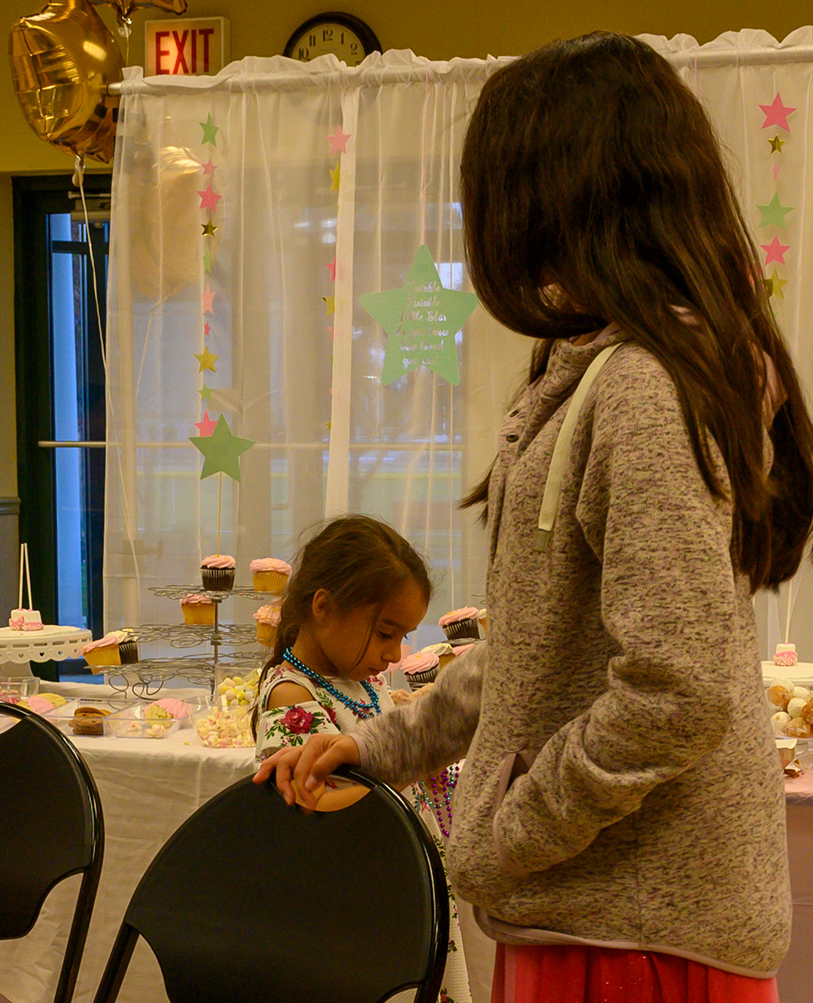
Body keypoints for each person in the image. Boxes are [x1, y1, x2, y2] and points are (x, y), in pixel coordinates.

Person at [257, 33, 813, 1003]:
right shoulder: (600, 371)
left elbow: (676, 692)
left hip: (633, 934)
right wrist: (386, 744)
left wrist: (506, 832)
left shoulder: (639, 388)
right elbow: (535, 654)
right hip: (596, 914)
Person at [250, 515, 471, 1002]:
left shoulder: (366, 684)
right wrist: (408, 762)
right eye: (386, 633)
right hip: (356, 909)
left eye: (403, 636)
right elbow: (322, 812)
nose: (395, 654)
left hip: (401, 886)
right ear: (324, 607)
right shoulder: (291, 695)